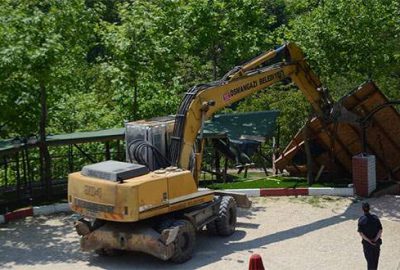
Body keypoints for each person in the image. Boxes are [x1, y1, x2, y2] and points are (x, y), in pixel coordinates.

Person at [358, 202, 383, 270]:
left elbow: (361, 233)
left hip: (367, 245)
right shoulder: (375, 218)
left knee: (370, 262)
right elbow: (380, 230)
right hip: (376, 243)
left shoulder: (361, 219)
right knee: (375, 262)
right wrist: (375, 239)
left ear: (362, 209)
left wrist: (369, 241)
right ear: (369, 208)